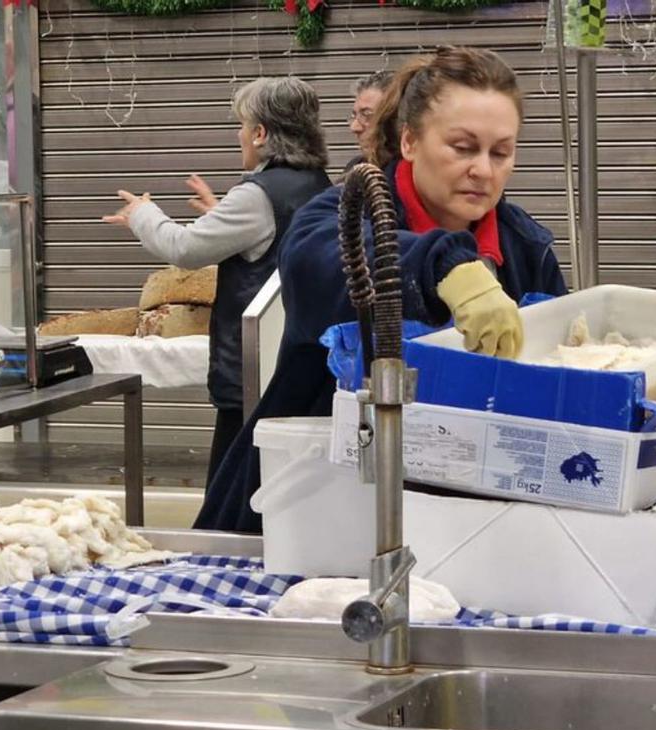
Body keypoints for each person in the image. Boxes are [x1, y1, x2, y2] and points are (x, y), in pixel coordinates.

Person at [195, 47, 568, 533]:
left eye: (500, 152)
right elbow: (318, 272)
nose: (484, 169)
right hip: (310, 512)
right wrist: (444, 268)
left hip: (465, 514)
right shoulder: (341, 214)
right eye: (463, 147)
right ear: (410, 141)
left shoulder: (525, 249)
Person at [101, 77, 332, 488]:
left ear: (261, 134)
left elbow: (186, 248)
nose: (238, 134)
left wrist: (142, 213)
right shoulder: (319, 184)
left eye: (243, 125)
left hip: (251, 377)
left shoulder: (259, 194)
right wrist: (218, 213)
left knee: (231, 499)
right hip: (297, 364)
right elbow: (271, 245)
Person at [342, 70, 394, 175]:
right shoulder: (355, 167)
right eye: (354, 115)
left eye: (366, 114)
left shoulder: (411, 177)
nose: (354, 127)